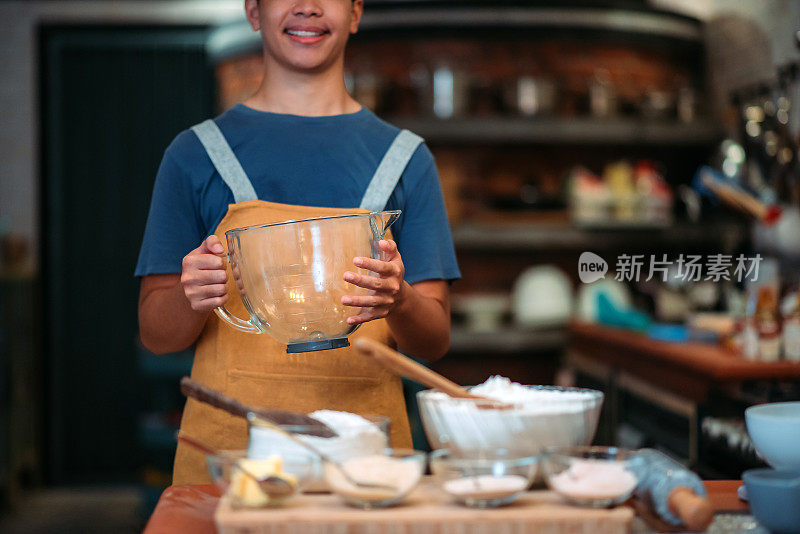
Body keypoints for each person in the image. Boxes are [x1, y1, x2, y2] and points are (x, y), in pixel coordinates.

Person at [135, 0, 460, 484]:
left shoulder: (406, 159)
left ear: (354, 13)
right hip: (233, 467)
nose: (307, 7)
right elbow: (156, 335)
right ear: (253, 10)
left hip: (364, 471)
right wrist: (192, 297)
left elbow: (434, 341)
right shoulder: (194, 155)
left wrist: (402, 300)